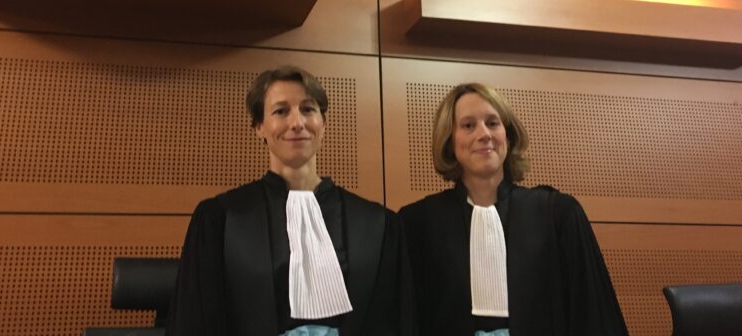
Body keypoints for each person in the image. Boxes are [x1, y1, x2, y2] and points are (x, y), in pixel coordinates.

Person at [167, 65, 414, 336]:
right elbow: (194, 325)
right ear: (259, 127)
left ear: (323, 124)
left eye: (308, 109)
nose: (297, 123)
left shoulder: (379, 224)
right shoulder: (219, 220)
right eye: (281, 111)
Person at [399, 83, 628, 336]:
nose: (484, 134)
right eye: (468, 125)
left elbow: (593, 316)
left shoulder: (558, 215)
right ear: (450, 141)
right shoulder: (417, 224)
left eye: (492, 123)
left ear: (507, 136)